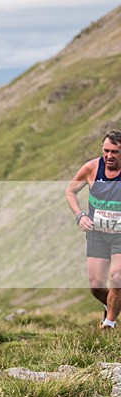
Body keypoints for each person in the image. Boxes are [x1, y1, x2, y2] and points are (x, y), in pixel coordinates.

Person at [66, 129, 121, 329]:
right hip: (97, 233)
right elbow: (70, 191)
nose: (109, 156)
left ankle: (109, 324)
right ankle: (112, 306)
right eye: (106, 150)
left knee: (117, 277)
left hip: (119, 236)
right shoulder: (91, 168)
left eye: (115, 152)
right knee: (96, 285)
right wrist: (79, 215)